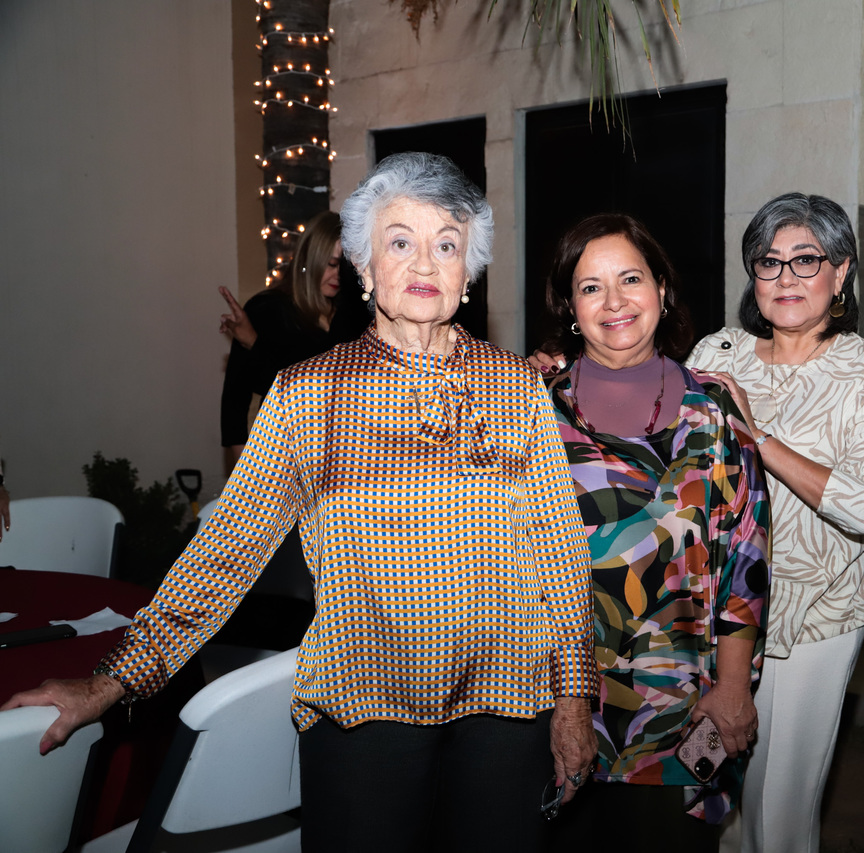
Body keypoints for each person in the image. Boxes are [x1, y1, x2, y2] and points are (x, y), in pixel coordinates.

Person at [2, 153, 597, 853]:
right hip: (364, 714)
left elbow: (558, 551)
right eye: (400, 241)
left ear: (468, 272)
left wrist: (573, 698)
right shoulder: (309, 394)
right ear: (365, 265)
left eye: (447, 244)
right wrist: (111, 681)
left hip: (507, 708)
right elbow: (226, 552)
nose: (424, 262)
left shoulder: (515, 386)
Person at [540, 214, 770, 853]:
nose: (614, 301)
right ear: (570, 307)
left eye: (631, 279)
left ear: (662, 289)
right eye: (591, 287)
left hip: (683, 707)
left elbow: (746, 556)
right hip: (559, 702)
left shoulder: (715, 409)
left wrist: (732, 688)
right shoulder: (531, 411)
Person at [686, 194, 864, 853]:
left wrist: (758, 437)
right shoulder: (719, 352)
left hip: (812, 614)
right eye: (769, 261)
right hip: (710, 613)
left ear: (841, 272)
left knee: (777, 811)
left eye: (805, 260)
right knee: (711, 798)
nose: (785, 277)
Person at [218, 209, 367, 464]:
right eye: (331, 264)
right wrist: (247, 476)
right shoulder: (269, 309)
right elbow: (236, 402)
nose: (337, 276)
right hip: (282, 456)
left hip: (343, 459)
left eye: (343, 268)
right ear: (310, 259)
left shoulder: (350, 316)